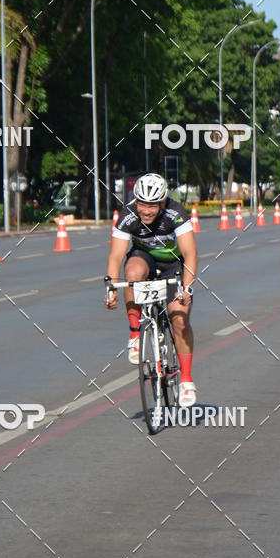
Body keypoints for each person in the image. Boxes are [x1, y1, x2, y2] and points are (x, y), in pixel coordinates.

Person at [104, 172, 198, 406]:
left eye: (152, 205)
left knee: (179, 319)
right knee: (132, 273)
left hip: (173, 263)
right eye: (142, 203)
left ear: (162, 202)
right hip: (143, 258)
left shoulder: (175, 214)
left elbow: (190, 253)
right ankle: (135, 333)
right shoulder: (128, 215)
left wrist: (187, 288)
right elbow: (116, 255)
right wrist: (111, 285)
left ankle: (186, 379)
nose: (146, 210)